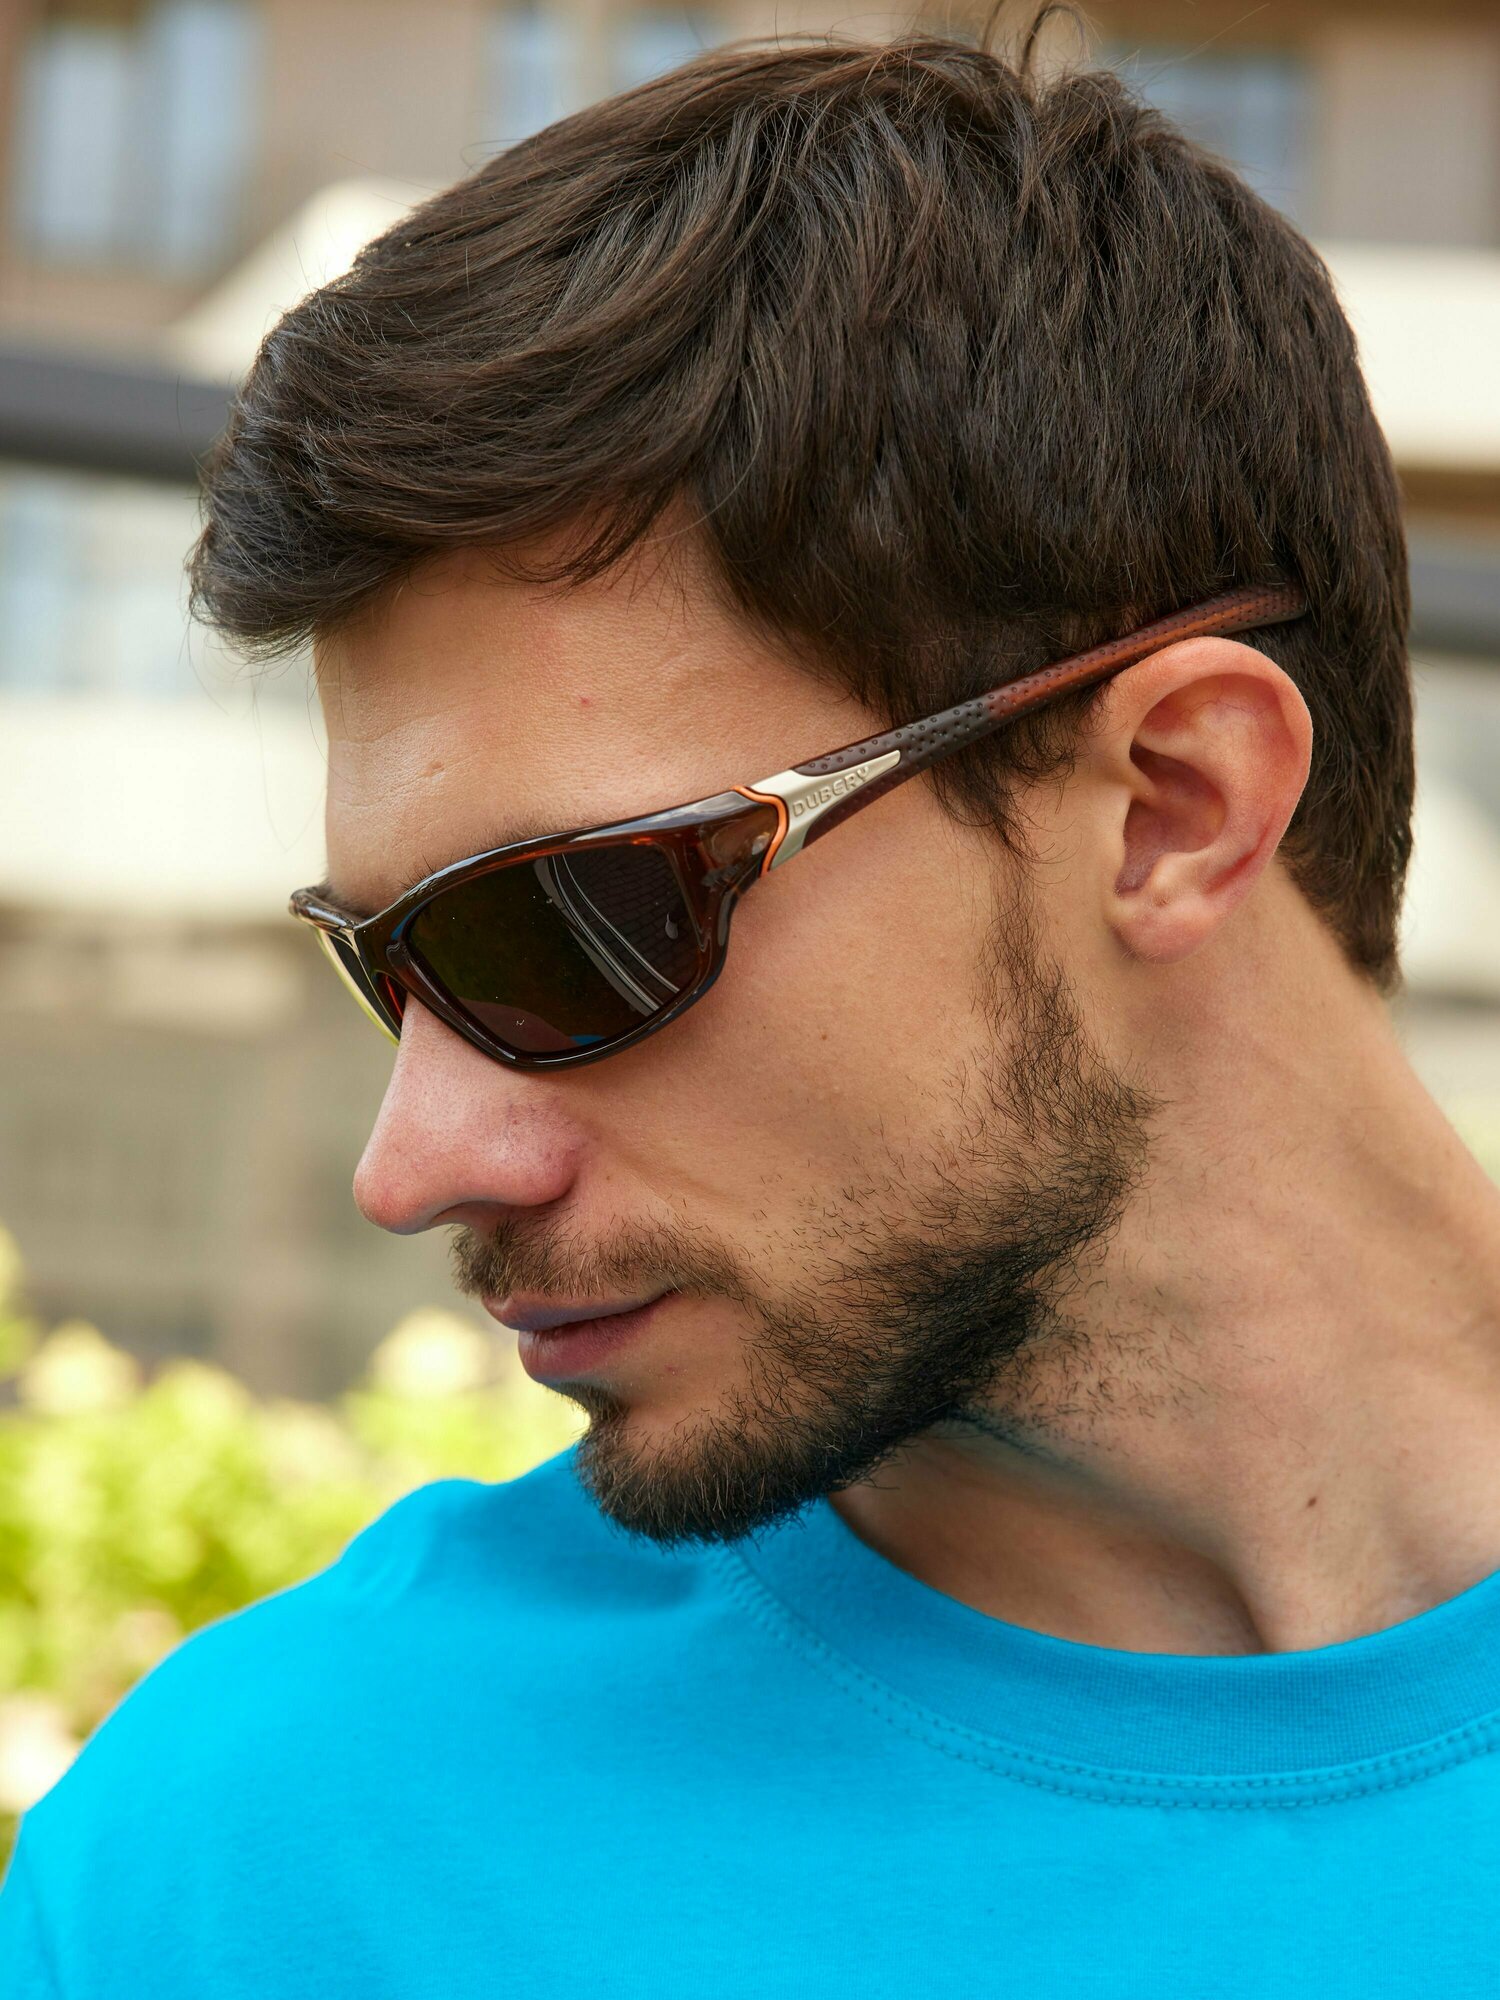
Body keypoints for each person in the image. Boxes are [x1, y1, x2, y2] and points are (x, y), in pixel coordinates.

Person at [6, 28, 1500, 1997]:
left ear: (1172, 806)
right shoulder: (263, 1863)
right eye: (387, 967)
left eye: (569, 927)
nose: (415, 1163)